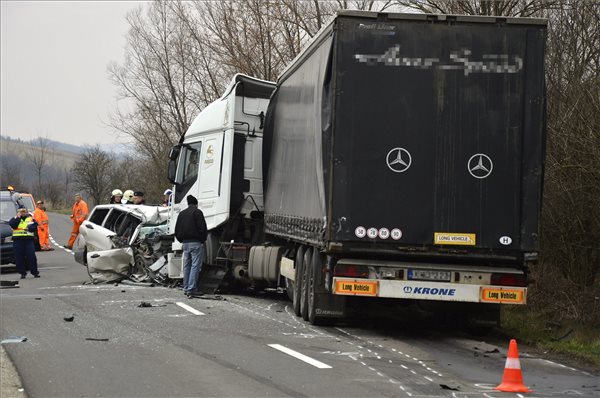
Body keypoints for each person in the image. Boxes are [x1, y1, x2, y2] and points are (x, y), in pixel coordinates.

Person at [174, 195, 207, 298]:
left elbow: (177, 230)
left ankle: (186, 287)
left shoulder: (182, 214)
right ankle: (192, 288)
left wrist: (181, 240)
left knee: (187, 266)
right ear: (196, 204)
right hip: (195, 243)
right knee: (195, 266)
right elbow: (203, 228)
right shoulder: (197, 212)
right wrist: (202, 240)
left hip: (185, 243)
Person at [8, 207, 40, 279]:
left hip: (28, 240)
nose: (22, 213)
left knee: (31, 257)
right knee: (19, 257)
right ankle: (22, 273)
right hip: (18, 241)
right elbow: (13, 225)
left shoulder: (30, 218)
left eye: (24, 211)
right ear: (18, 212)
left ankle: (35, 272)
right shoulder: (15, 219)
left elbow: (35, 226)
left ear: (26, 212)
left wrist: (29, 228)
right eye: (21, 211)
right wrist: (18, 218)